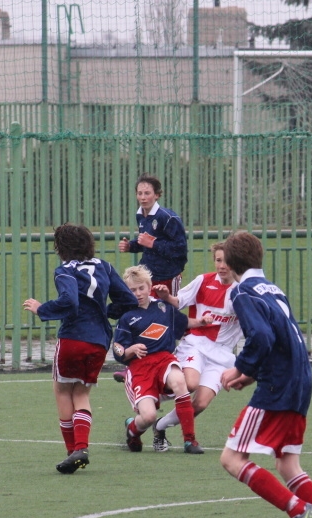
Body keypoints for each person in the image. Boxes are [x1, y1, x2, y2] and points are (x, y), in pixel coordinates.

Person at [219, 231, 312, 518]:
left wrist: (239, 369)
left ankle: (298, 511)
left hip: (277, 385)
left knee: (232, 459)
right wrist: (250, 376)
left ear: (230, 263)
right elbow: (279, 338)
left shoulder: (241, 291)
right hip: (301, 379)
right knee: (287, 463)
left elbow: (260, 338)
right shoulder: (273, 288)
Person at [23, 223, 138, 475]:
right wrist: (104, 313)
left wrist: (41, 309)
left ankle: (72, 451)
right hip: (99, 341)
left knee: (62, 390)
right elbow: (128, 300)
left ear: (61, 248)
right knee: (82, 394)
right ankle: (81, 448)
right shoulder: (105, 266)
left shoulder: (65, 270)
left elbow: (70, 301)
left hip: (73, 337)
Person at [150, 242, 241, 452]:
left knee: (200, 404)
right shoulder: (203, 281)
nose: (222, 265)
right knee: (190, 384)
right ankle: (150, 393)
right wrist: (166, 297)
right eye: (218, 260)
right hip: (196, 345)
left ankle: (160, 426)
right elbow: (178, 301)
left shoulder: (242, 291)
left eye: (226, 261)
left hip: (222, 355)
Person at [113, 265, 213, 455]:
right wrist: (131, 349)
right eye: (132, 290)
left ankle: (189, 441)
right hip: (140, 369)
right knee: (148, 416)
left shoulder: (162, 307)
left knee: (179, 381)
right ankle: (133, 430)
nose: (138, 293)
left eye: (141, 288)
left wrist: (201, 322)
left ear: (149, 286)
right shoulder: (127, 317)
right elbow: (119, 350)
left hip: (164, 359)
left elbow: (183, 323)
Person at [115, 174, 189, 382]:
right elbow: (144, 240)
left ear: (157, 195)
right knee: (139, 317)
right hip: (147, 277)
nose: (143, 197)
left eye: (147, 193)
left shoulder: (168, 218)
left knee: (167, 319)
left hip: (167, 277)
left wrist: (152, 244)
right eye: (140, 193)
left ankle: (174, 361)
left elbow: (180, 250)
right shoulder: (141, 215)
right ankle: (134, 365)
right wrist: (131, 246)